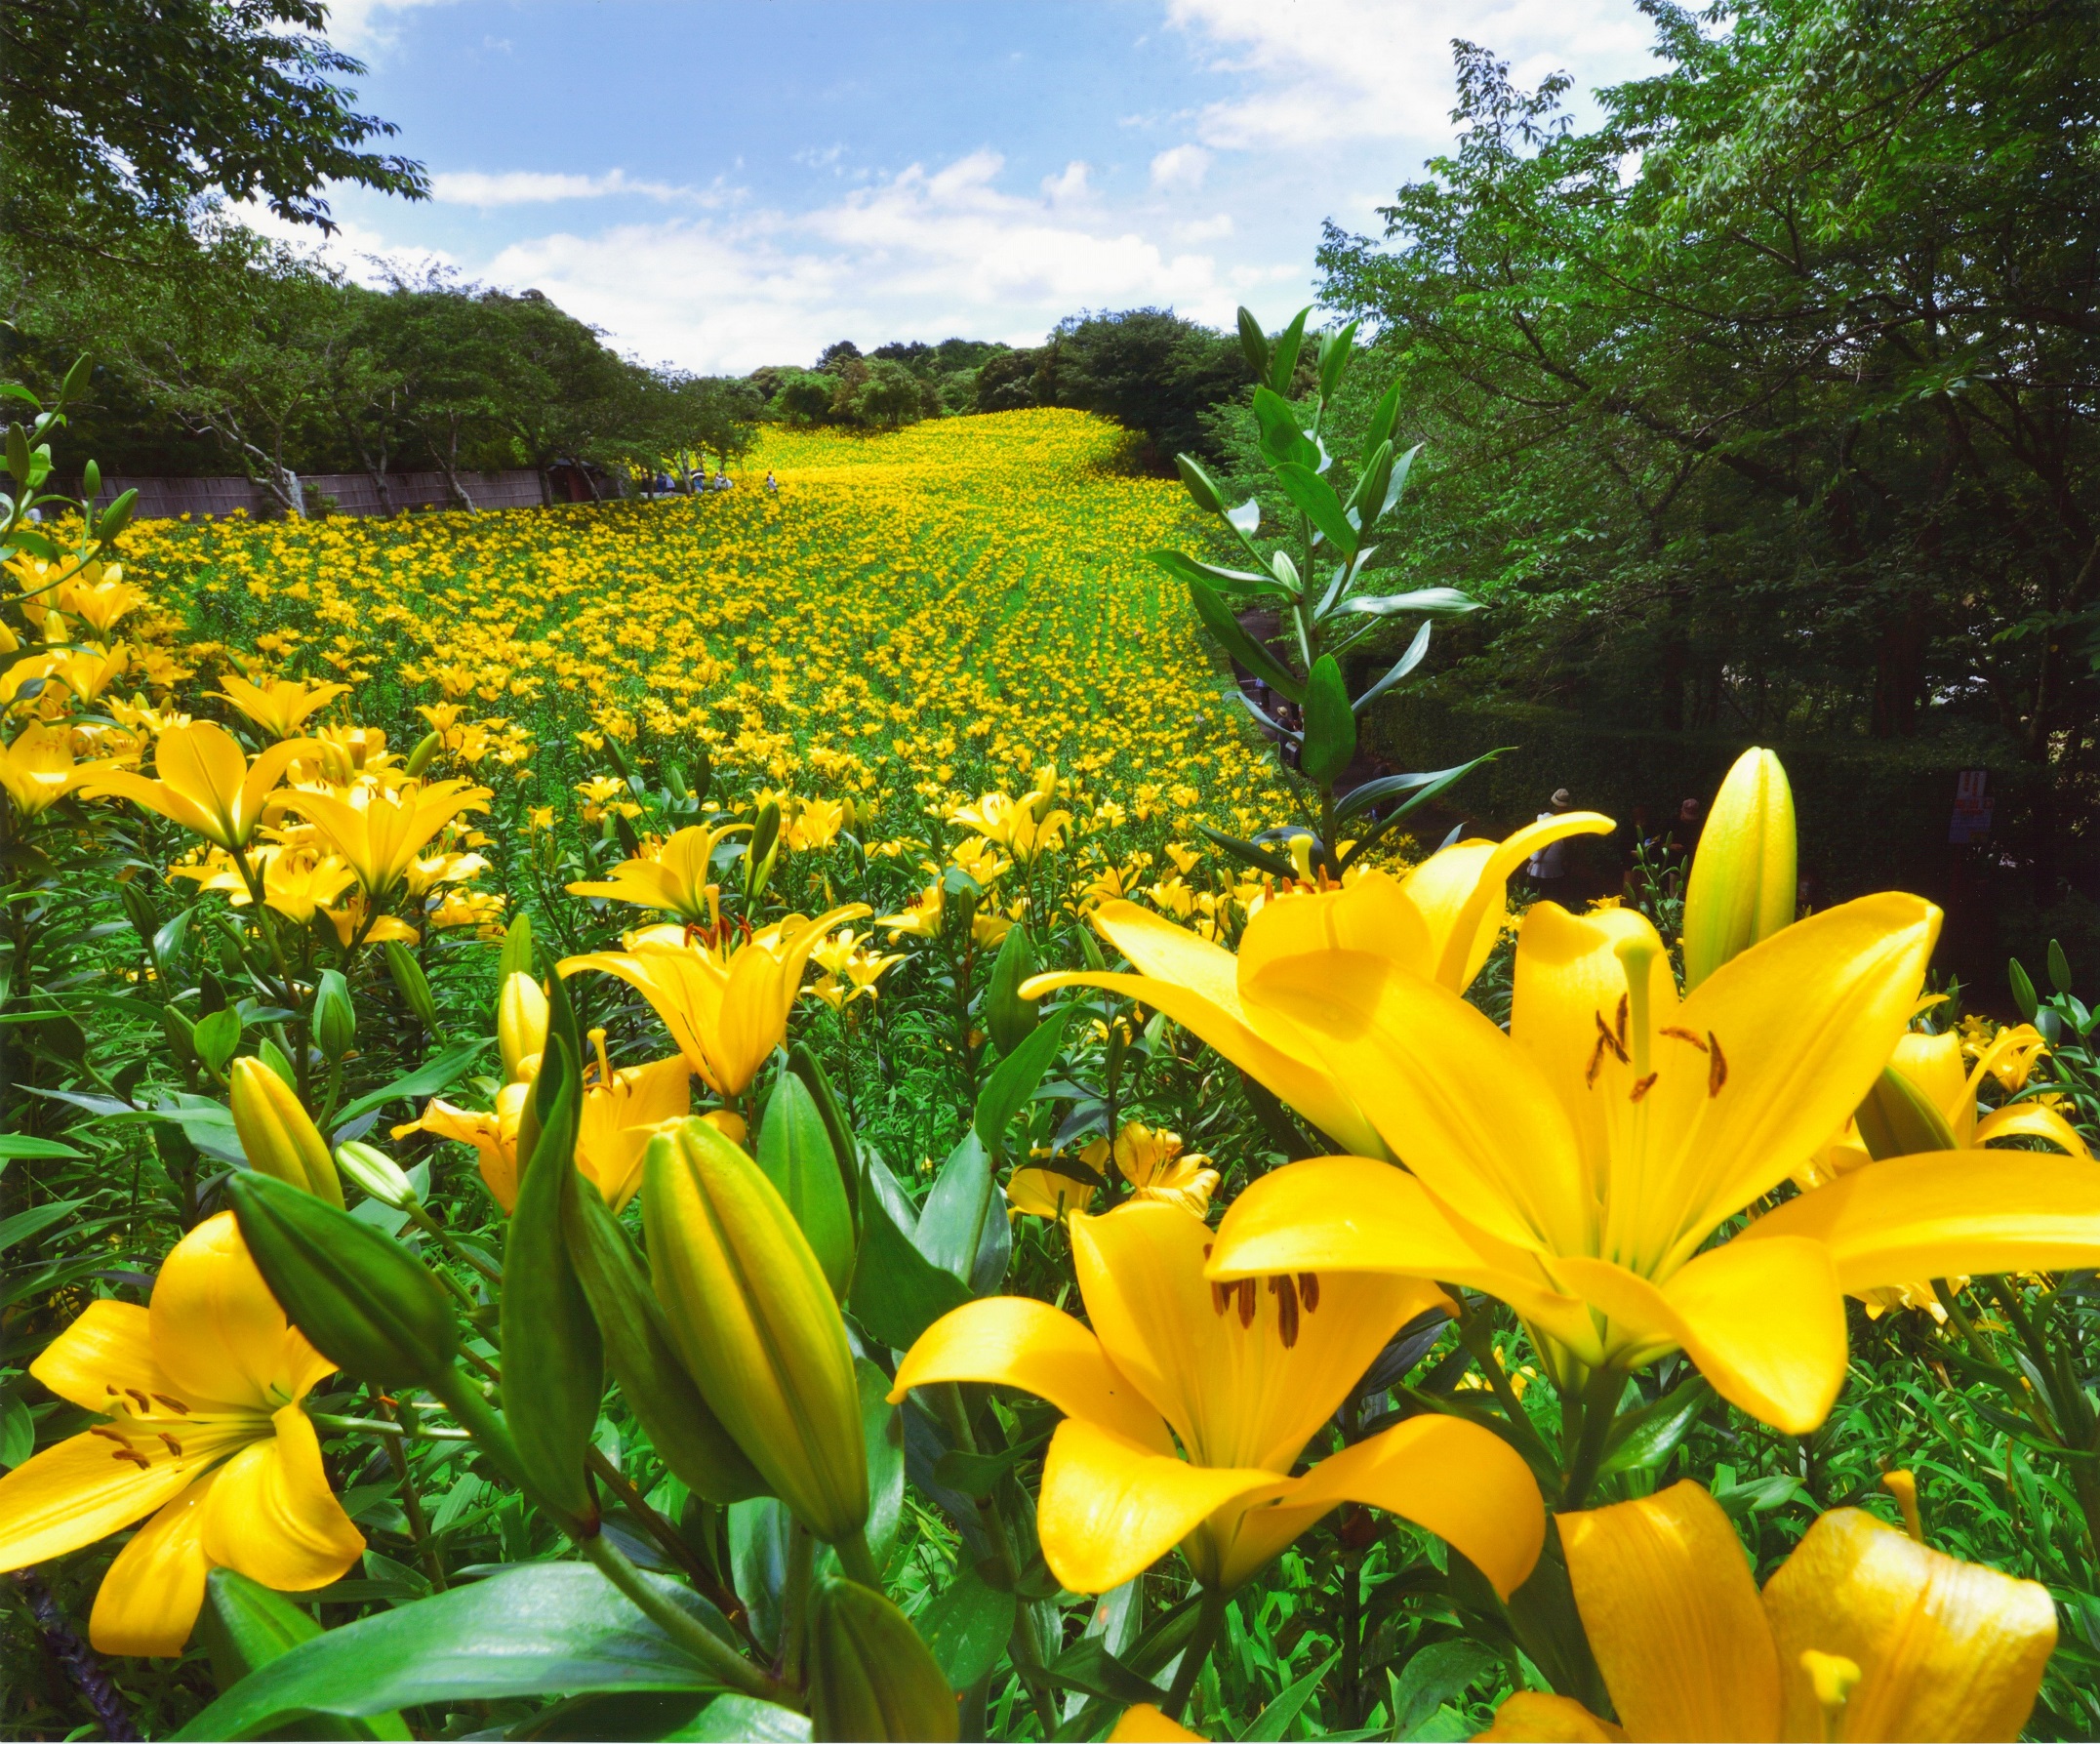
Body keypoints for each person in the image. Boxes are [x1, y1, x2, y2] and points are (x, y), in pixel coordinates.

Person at [1525, 789, 1575, 898]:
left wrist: (1532, 861)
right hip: (1556, 872)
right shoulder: (1568, 824)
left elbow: (1537, 853)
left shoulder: (1544, 821)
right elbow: (1565, 851)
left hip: (1539, 871)